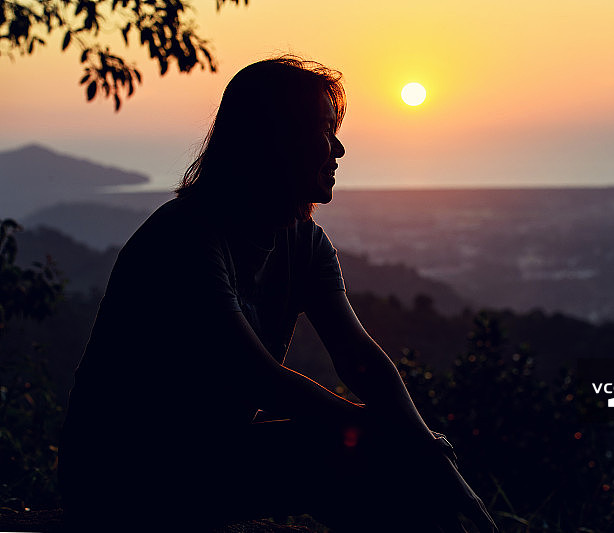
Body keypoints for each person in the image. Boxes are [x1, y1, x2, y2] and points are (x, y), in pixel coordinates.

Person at [59, 56, 497, 533]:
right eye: (325, 132)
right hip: (118, 477)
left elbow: (359, 358)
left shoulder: (304, 242)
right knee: (369, 450)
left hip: (210, 458)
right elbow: (260, 379)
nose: (340, 149)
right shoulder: (186, 237)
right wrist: (381, 432)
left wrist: (425, 447)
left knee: (394, 453)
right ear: (273, 139)